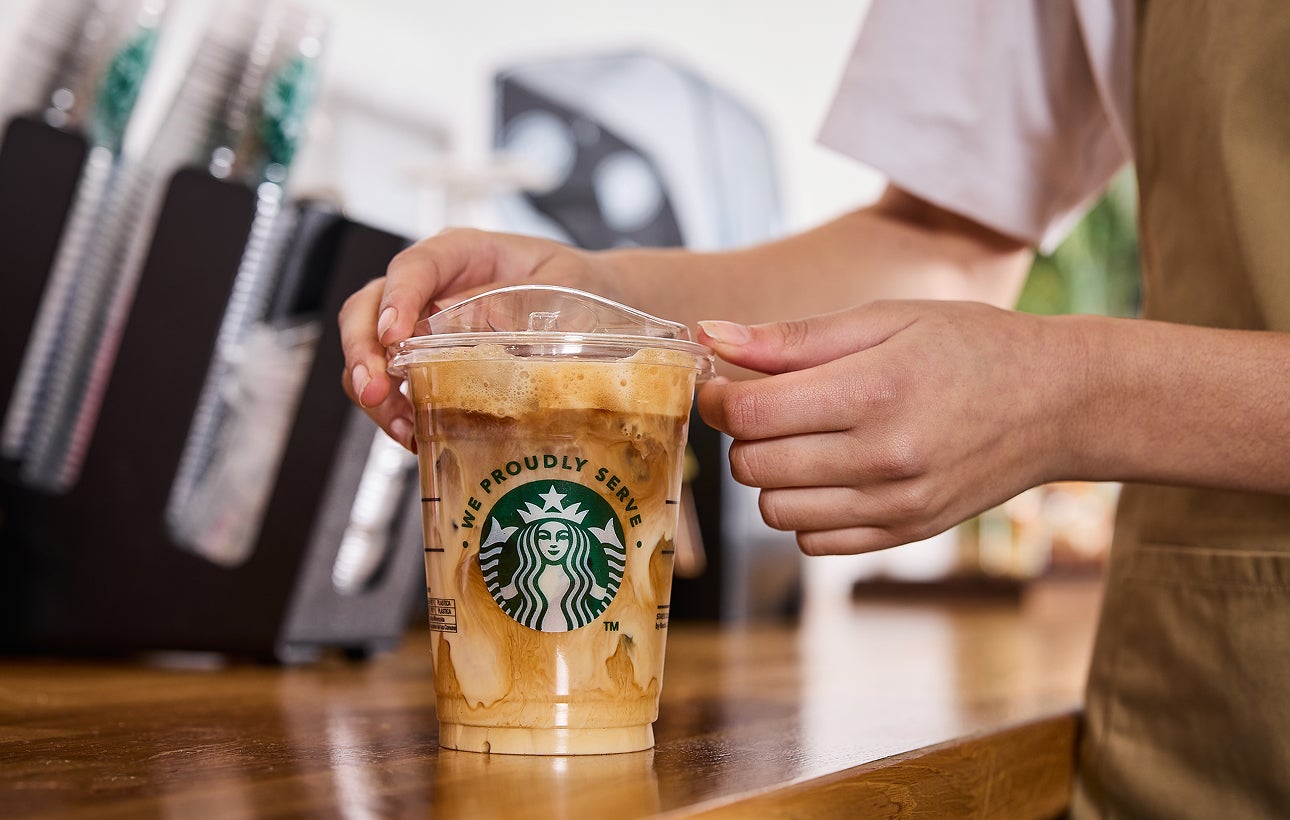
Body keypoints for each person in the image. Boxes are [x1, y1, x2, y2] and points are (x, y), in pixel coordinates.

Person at [339, 1, 1290, 816]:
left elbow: (1042, 358)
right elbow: (950, 238)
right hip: (1199, 725)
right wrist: (603, 296)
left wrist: (1078, 396)